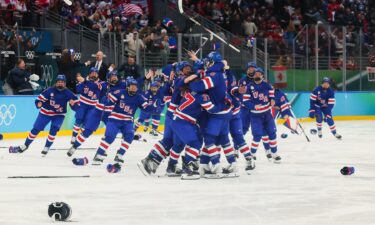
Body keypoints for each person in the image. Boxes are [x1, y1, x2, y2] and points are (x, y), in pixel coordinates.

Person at [186, 51, 235, 178]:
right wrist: (197, 60)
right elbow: (205, 66)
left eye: (208, 61)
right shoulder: (219, 72)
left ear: (213, 62)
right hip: (225, 112)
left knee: (209, 139)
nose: (206, 62)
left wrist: (188, 81)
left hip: (217, 113)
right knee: (223, 139)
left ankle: (217, 167)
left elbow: (198, 87)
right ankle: (230, 163)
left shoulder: (213, 75)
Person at [91, 79, 156, 171]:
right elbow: (108, 102)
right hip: (114, 119)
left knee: (129, 137)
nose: (134, 88)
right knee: (109, 138)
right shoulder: (119, 92)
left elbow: (147, 108)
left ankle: (119, 155)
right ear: (128, 86)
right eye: (132, 86)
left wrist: (154, 106)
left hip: (128, 121)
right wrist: (105, 97)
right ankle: (98, 154)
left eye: (135, 86)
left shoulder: (139, 97)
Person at [9, 75, 79, 155]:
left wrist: (73, 105)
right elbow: (39, 99)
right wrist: (39, 103)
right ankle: (25, 145)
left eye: (62, 82)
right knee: (35, 129)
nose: (60, 84)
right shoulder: (49, 90)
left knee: (54, 130)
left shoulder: (69, 93)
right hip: (45, 113)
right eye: (59, 82)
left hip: (59, 115)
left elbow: (76, 106)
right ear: (56, 83)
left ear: (65, 83)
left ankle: (47, 147)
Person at [242, 68, 281, 168]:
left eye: (259, 73)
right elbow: (245, 102)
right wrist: (254, 106)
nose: (257, 75)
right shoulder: (249, 87)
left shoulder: (267, 85)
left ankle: (274, 153)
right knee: (257, 135)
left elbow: (272, 97)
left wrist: (273, 100)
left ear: (262, 75)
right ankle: (252, 154)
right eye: (255, 74)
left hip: (267, 114)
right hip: (255, 115)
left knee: (272, 133)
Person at [70, 67, 102, 144]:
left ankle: (80, 138)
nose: (94, 74)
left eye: (95, 73)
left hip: (92, 106)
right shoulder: (83, 81)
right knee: (78, 120)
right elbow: (78, 89)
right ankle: (73, 137)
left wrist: (85, 82)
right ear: (89, 73)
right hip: (82, 104)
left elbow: (98, 90)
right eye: (92, 73)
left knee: (87, 122)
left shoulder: (100, 83)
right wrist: (84, 82)